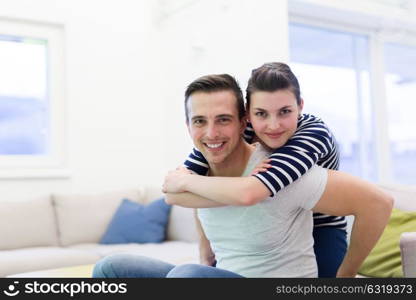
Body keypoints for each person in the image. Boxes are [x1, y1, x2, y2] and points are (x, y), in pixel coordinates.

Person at [93, 73, 393, 278]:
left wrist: (348, 274)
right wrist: (205, 251)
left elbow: (378, 203)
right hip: (228, 276)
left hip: (318, 236)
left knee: (186, 276)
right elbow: (180, 196)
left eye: (223, 120)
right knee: (113, 268)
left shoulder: (286, 168)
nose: (211, 133)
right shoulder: (202, 165)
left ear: (241, 123)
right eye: (200, 121)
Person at [180, 62, 345, 277]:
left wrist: (185, 183)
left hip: (322, 224)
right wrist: (205, 249)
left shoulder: (313, 134)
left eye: (285, 111)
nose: (273, 125)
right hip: (273, 220)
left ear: (300, 106)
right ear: (248, 115)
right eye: (261, 113)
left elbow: (252, 192)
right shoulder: (240, 128)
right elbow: (194, 180)